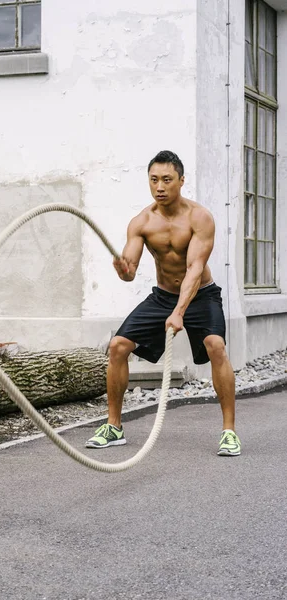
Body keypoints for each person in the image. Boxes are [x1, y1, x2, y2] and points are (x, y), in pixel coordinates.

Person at [85, 150, 241, 456]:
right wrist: (124, 271)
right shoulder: (142, 221)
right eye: (154, 179)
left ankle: (229, 432)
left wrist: (179, 312)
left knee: (215, 346)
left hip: (201, 294)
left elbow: (195, 269)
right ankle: (114, 427)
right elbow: (130, 273)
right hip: (162, 296)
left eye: (167, 179)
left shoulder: (200, 217)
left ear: (181, 181)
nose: (160, 186)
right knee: (117, 346)